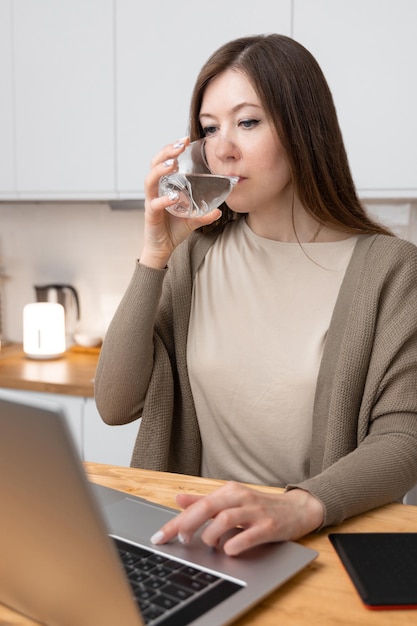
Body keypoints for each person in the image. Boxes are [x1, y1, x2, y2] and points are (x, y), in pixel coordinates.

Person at [95, 34, 417, 556]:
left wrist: (300, 505)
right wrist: (155, 257)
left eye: (247, 122)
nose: (223, 148)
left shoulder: (391, 269)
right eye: (208, 129)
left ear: (303, 129)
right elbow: (115, 403)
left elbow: (405, 435)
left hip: (317, 543)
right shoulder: (194, 257)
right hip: (198, 541)